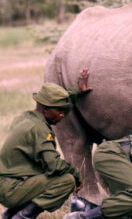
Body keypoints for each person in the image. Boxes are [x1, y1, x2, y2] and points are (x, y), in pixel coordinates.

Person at [0, 69, 92, 219]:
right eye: (59, 111)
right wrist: (76, 174)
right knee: (67, 180)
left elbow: (58, 102)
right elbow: (54, 165)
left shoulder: (26, 118)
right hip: (12, 189)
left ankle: (10, 214)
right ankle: (23, 216)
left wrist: (77, 91)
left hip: (7, 185)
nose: (63, 114)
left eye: (64, 110)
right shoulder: (40, 130)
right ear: (45, 110)